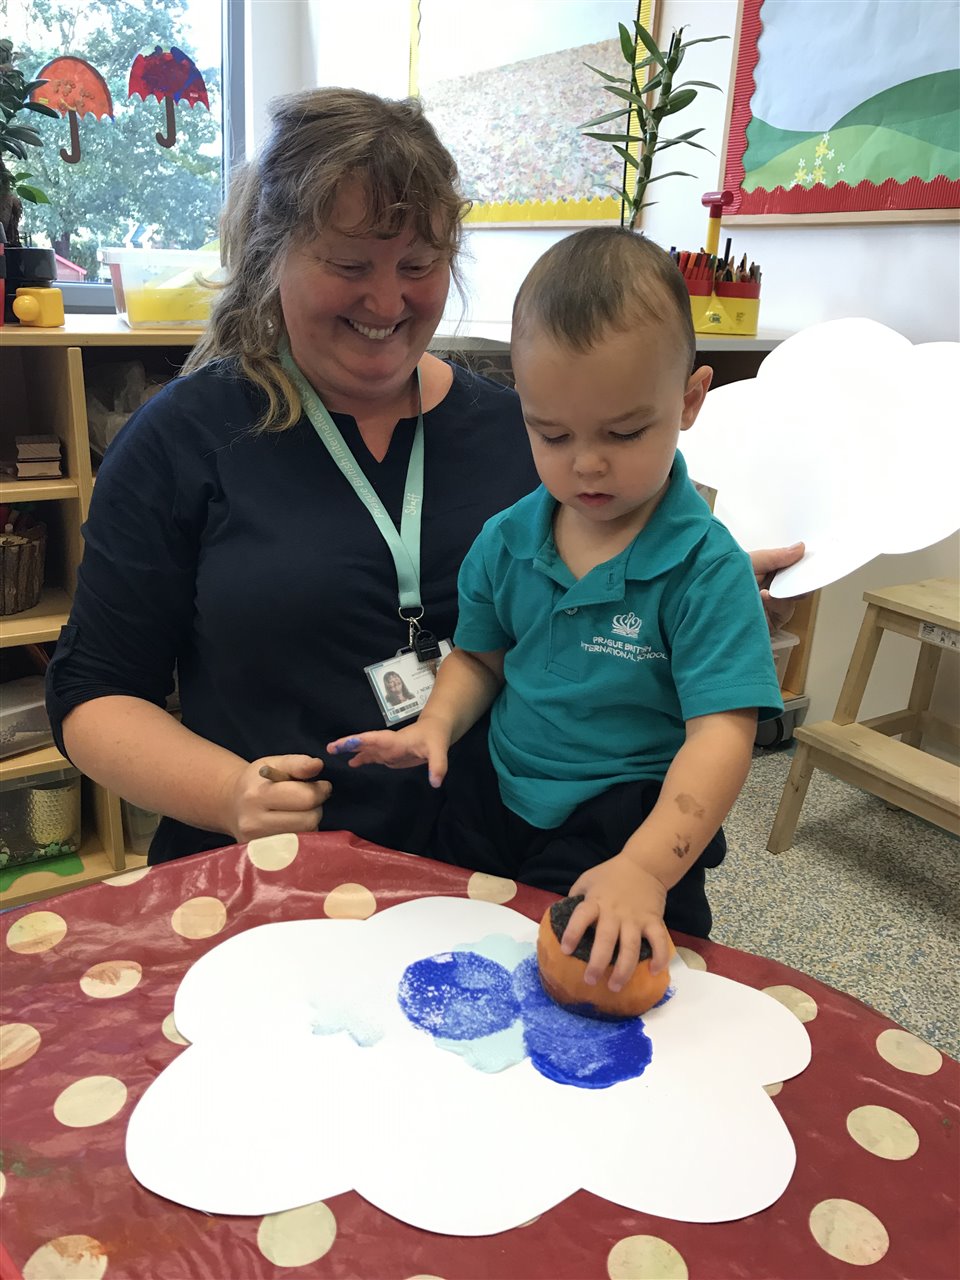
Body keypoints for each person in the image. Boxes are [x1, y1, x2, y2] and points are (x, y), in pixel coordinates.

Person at [45, 86, 804, 868]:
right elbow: (92, 693)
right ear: (273, 256)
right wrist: (228, 793)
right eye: (349, 265)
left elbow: (590, 583)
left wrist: (687, 594)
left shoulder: (533, 432)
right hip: (274, 872)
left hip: (498, 862)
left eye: (419, 264)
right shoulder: (183, 439)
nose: (387, 301)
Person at [328, 228, 784, 993]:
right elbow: (480, 659)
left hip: (626, 821)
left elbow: (721, 736)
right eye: (553, 433)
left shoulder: (707, 571)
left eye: (624, 432)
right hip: (496, 791)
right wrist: (436, 724)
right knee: (451, 952)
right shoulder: (505, 541)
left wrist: (646, 869)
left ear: (689, 400)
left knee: (597, 988)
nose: (587, 463)